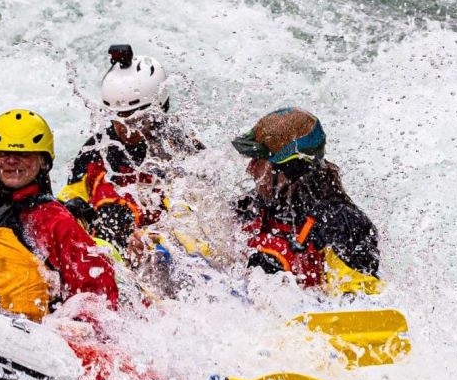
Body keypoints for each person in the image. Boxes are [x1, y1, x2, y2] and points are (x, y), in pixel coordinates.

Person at [0, 109, 119, 318]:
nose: (11, 161)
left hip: (27, 336)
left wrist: (78, 325)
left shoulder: (57, 222)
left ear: (43, 161)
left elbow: (98, 297)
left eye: (23, 154)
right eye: (3, 153)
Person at [59, 44, 202, 248]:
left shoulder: (183, 151)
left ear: (158, 109)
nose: (126, 128)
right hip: (110, 258)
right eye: (118, 117)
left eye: (136, 118)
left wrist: (161, 242)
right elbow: (67, 203)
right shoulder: (94, 152)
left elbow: (203, 229)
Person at [230, 107, 382, 294]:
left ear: (288, 170)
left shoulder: (341, 224)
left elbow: (361, 298)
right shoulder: (253, 206)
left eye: (258, 161)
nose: (250, 169)